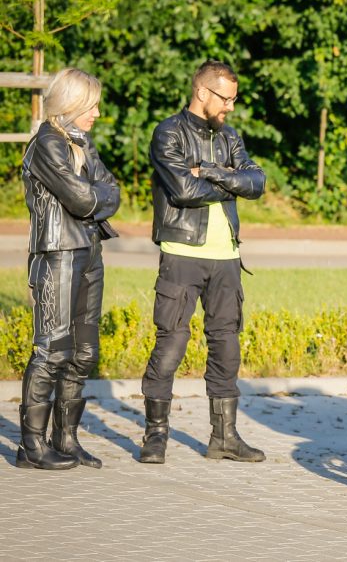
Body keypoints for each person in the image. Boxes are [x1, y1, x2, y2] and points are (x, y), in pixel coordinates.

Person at [140, 60, 266, 464]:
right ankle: (155, 435)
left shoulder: (230, 137)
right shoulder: (168, 133)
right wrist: (229, 181)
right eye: (225, 99)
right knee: (171, 343)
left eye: (233, 99)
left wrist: (211, 172)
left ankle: (224, 438)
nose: (230, 107)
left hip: (227, 257)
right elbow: (181, 190)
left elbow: (257, 182)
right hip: (182, 254)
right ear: (203, 93)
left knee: (226, 346)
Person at [19, 67, 121, 469]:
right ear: (72, 103)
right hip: (58, 253)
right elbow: (82, 200)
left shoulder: (81, 141)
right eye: (91, 105)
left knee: (83, 351)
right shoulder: (47, 142)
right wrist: (97, 195)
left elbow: (111, 190)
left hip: (90, 251)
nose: (96, 113)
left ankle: (66, 439)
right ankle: (32, 446)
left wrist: (97, 195)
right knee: (52, 349)